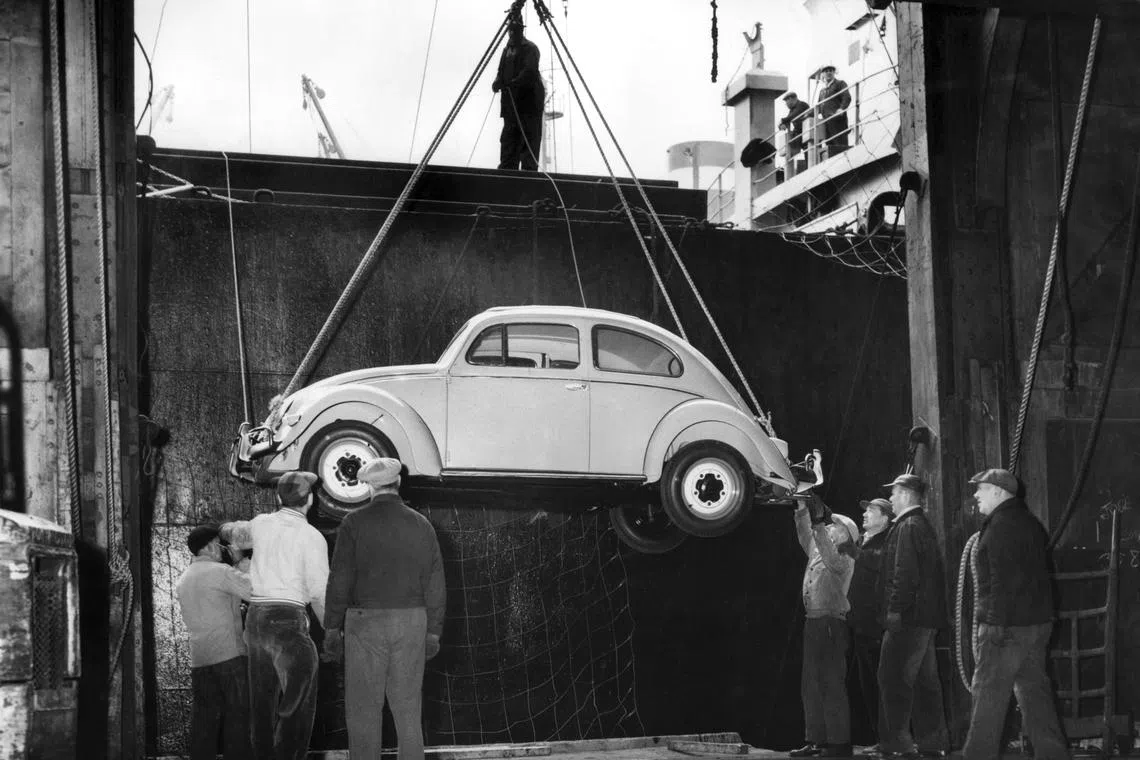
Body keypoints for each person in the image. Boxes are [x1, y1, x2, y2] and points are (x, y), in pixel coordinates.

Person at [324, 457, 446, 760]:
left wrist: (330, 627)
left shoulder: (353, 523)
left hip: (365, 624)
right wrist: (433, 632)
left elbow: (340, 578)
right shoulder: (422, 524)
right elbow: (436, 583)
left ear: (369, 487)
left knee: (364, 709)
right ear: (398, 483)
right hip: (412, 622)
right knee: (407, 708)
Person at [220, 471, 330, 760]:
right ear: (310, 499)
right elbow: (319, 593)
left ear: (278, 497)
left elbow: (232, 534)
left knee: (262, 705)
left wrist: (227, 528)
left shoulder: (261, 524)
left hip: (256, 620)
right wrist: (332, 632)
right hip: (288, 619)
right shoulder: (313, 537)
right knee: (297, 704)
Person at [961, 469, 1069, 760]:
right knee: (1036, 697)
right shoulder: (1031, 524)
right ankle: (1054, 755)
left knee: (988, 697)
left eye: (981, 489)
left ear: (998, 492)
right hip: (1036, 625)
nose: (976, 495)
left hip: (1006, 628)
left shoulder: (999, 527)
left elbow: (1000, 580)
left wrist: (994, 624)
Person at [874, 473, 949, 759]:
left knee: (892, 677)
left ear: (905, 493)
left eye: (893, 493)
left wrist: (895, 610)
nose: (891, 498)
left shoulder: (907, 526)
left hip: (909, 619)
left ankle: (897, 744)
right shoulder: (921, 525)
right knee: (924, 681)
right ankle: (934, 742)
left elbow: (904, 574)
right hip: (925, 619)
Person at [790, 493, 861, 758]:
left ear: (846, 535)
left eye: (835, 527)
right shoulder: (819, 550)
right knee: (810, 683)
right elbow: (804, 535)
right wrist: (800, 509)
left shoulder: (844, 558)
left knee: (831, 682)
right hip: (814, 621)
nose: (830, 528)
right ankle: (816, 739)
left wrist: (819, 523)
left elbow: (830, 556)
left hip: (831, 623)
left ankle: (839, 743)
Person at [176, 525, 254, 760]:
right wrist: (241, 561)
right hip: (229, 657)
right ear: (210, 546)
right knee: (238, 721)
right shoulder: (219, 571)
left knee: (204, 724)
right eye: (219, 545)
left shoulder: (184, 579)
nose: (222, 550)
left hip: (200, 661)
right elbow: (256, 590)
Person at [847, 498, 893, 749]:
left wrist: (854, 551)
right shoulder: (865, 542)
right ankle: (881, 739)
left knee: (880, 684)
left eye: (871, 511)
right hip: (860, 624)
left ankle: (888, 739)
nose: (865, 514)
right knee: (868, 686)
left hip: (875, 626)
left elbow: (877, 565)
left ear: (885, 519)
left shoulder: (886, 542)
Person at [492, 15, 545, 171]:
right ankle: (507, 170)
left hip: (528, 105)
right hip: (511, 106)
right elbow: (500, 71)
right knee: (509, 139)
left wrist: (512, 84)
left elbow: (529, 72)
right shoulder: (506, 50)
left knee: (529, 140)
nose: (512, 34)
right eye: (510, 31)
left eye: (515, 31)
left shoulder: (531, 49)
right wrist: (497, 82)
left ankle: (528, 175)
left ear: (521, 31)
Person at [816, 65, 851, 156]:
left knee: (840, 144)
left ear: (834, 72)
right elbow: (819, 107)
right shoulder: (822, 91)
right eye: (826, 71)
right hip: (826, 122)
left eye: (831, 70)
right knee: (830, 146)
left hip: (837, 120)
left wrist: (841, 109)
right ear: (822, 74)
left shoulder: (840, 84)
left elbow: (846, 97)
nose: (829, 72)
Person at [779, 92, 811, 157]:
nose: (786, 104)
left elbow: (794, 115)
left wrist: (782, 120)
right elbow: (789, 117)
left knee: (809, 151)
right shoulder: (792, 110)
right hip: (801, 133)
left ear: (791, 99)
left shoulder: (802, 105)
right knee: (805, 151)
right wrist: (782, 124)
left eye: (786, 101)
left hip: (807, 131)